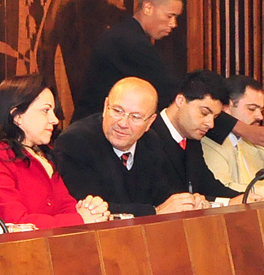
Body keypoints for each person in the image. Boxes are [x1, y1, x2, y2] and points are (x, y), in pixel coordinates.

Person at [73, 0, 264, 156]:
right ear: (147, 8)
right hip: (94, 138)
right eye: (169, 16)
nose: (174, 24)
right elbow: (173, 91)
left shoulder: (131, 37)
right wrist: (242, 128)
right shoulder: (128, 41)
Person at [0, 75, 108, 227]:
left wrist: (91, 210)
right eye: (45, 110)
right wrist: (80, 219)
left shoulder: (44, 155)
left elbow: (66, 207)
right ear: (17, 116)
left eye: (53, 111)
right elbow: (17, 224)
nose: (54, 120)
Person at [51, 77, 204, 216]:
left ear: (150, 122)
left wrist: (187, 202)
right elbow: (89, 208)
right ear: (105, 107)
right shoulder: (76, 142)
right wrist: (155, 211)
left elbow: (162, 192)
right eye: (117, 111)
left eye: (135, 117)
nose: (123, 123)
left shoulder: (150, 142)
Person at [135, 69, 242, 206]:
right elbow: (161, 195)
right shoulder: (147, 135)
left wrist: (243, 198)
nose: (210, 124)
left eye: (215, 117)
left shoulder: (192, 139)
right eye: (204, 113)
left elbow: (208, 185)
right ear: (180, 100)